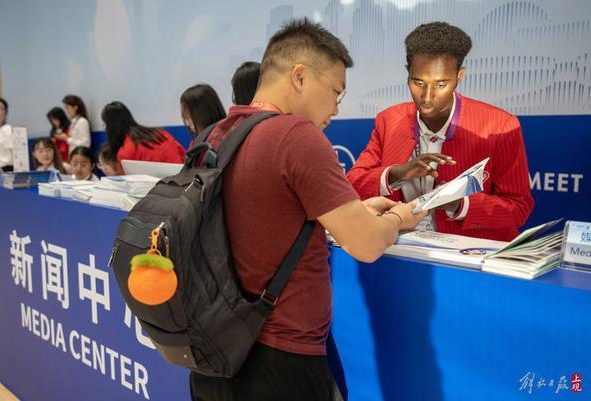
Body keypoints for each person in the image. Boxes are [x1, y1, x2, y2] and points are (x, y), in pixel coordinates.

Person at [190, 18, 425, 401]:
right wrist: (400, 217)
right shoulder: (296, 135)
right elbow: (366, 245)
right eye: (336, 91)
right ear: (300, 77)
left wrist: (352, 208)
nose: (336, 107)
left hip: (214, 352)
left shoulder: (216, 135)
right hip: (280, 363)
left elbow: (264, 210)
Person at [347, 22, 534, 241]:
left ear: (459, 75)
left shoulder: (500, 126)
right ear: (407, 72)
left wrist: (459, 204)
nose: (427, 97)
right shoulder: (388, 120)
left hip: (470, 258)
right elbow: (353, 184)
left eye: (441, 84)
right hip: (401, 249)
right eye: (418, 82)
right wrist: (398, 173)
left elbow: (519, 207)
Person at [101, 101, 185, 173]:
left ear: (110, 127)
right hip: (184, 177)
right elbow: (182, 153)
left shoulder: (125, 152)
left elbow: (131, 184)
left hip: (165, 186)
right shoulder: (160, 132)